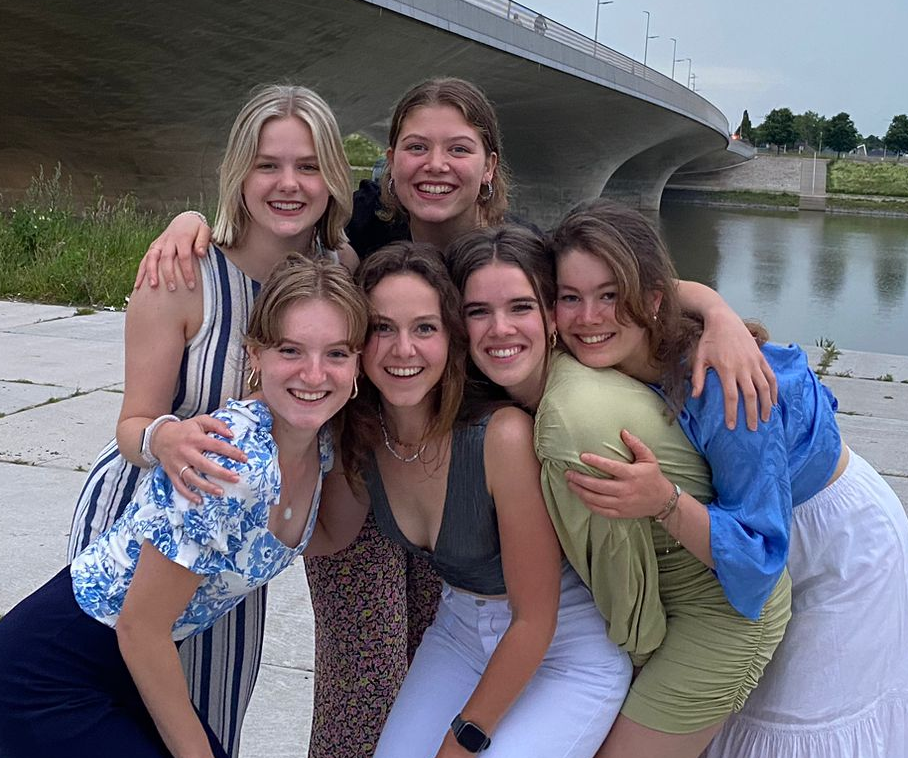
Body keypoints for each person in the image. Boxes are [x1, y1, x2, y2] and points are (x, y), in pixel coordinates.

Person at [132, 77, 776, 756]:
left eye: (458, 148)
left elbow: (610, 289)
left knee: (456, 654)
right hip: (377, 464)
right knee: (363, 679)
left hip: (478, 499)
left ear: (490, 164)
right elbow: (277, 232)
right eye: (417, 147)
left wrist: (715, 310)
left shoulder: (516, 253)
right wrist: (194, 224)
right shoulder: (362, 236)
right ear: (389, 160)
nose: (435, 164)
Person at [550, 199, 908, 758]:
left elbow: (760, 556)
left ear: (652, 300)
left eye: (610, 296)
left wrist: (664, 501)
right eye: (570, 297)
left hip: (837, 541)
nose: (589, 317)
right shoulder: (625, 344)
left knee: (803, 721)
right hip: (761, 513)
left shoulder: (718, 383)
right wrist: (716, 307)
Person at [67, 84, 357, 757]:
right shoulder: (183, 273)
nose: (288, 184)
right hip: (141, 529)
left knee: (209, 720)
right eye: (267, 164)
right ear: (239, 173)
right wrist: (165, 437)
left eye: (308, 166)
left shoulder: (340, 272)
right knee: (117, 720)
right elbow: (131, 425)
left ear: (334, 178)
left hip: (236, 554)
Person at [0, 255, 369, 758]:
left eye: (336, 354)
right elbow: (140, 628)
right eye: (291, 349)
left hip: (125, 671)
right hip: (44, 678)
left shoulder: (319, 446)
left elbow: (325, 536)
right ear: (256, 355)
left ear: (357, 364)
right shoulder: (231, 464)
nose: (314, 373)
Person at [446, 225, 793, 758]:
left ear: (545, 317)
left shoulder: (565, 426)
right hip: (695, 594)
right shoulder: (569, 376)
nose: (500, 328)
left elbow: (629, 602)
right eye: (477, 312)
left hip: (725, 616)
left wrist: (626, 675)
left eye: (520, 307)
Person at [316, 241, 632, 756]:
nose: (403, 350)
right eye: (382, 328)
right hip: (459, 633)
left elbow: (535, 621)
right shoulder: (366, 438)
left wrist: (462, 741)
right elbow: (326, 533)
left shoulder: (500, 437)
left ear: (452, 338)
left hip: (563, 649)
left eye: (425, 328)